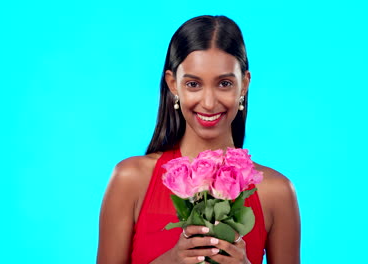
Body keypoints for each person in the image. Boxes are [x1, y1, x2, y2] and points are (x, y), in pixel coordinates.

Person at [96, 15, 300, 264]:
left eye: (224, 83)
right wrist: (171, 260)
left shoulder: (277, 192)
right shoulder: (131, 179)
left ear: (244, 84)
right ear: (173, 85)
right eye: (193, 84)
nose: (209, 102)